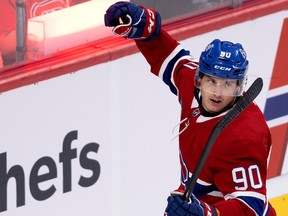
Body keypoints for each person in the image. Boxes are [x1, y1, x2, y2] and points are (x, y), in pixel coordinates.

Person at [104, 1, 276, 216]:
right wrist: (145, 30)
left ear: (239, 86)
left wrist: (208, 213)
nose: (217, 92)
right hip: (195, 200)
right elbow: (171, 59)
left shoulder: (245, 135)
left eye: (228, 84)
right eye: (212, 81)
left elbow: (252, 206)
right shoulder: (192, 86)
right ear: (199, 79)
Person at [0, 0, 88, 67]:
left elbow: (94, 10)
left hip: (78, 58)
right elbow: (5, 45)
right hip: (36, 72)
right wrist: (38, 37)